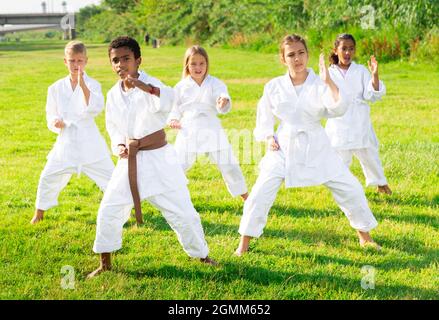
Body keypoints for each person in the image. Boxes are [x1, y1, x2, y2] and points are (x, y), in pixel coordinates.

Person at [235, 34, 381, 256]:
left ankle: (365, 237)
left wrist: (328, 81)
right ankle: (243, 244)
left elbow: (338, 108)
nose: (297, 58)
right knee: (259, 193)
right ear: (283, 59)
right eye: (291, 54)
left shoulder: (320, 83)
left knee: (350, 187)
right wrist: (268, 137)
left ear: (308, 55)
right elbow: (263, 117)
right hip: (283, 146)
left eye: (301, 53)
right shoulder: (273, 86)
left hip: (316, 145)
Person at [87, 37, 217, 279]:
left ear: (138, 60)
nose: (120, 64)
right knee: (109, 209)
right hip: (129, 162)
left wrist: (144, 86)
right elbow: (113, 126)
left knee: (184, 212)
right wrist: (119, 145)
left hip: (160, 161)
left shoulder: (152, 84)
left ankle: (202, 255)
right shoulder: (113, 94)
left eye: (126, 59)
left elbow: (169, 100)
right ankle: (105, 263)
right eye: (115, 60)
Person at [31, 40, 114, 224]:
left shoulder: (93, 84)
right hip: (66, 143)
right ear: (65, 61)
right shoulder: (55, 88)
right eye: (72, 61)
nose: (76, 65)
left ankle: (121, 209)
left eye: (79, 61)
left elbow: (95, 108)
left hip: (90, 143)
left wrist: (82, 83)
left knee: (111, 179)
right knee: (48, 176)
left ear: (86, 61)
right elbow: (50, 113)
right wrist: (55, 121)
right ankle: (39, 213)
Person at [167, 45, 248, 201]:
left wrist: (223, 101)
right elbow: (174, 108)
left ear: (207, 64)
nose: (198, 67)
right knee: (178, 166)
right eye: (193, 64)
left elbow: (222, 96)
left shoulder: (215, 83)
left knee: (229, 164)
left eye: (201, 63)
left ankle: (246, 197)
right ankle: (171, 197)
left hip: (211, 127)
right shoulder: (180, 87)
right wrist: (173, 119)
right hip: (188, 128)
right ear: (187, 65)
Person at [325, 33, 391, 195]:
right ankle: (342, 189)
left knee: (370, 155)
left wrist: (375, 74)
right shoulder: (329, 73)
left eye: (351, 49)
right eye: (344, 49)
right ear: (335, 50)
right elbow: (325, 98)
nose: (347, 53)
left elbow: (372, 94)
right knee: (340, 159)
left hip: (359, 122)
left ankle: (381, 184)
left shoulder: (360, 70)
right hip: (339, 123)